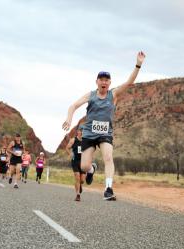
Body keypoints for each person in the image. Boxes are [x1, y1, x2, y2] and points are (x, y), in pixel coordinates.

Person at [62, 51, 146, 200]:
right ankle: (92, 169)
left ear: (110, 83)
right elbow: (73, 105)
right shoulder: (91, 95)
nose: (104, 82)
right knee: (84, 167)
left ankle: (108, 188)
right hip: (88, 134)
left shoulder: (113, 94)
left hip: (105, 133)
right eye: (101, 79)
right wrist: (69, 119)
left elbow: (129, 82)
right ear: (97, 82)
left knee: (108, 157)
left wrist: (138, 64)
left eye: (107, 80)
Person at [65, 126, 87, 201]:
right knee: (77, 178)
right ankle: (78, 195)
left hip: (83, 162)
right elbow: (67, 148)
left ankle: (80, 185)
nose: (82, 132)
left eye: (83, 131)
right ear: (78, 132)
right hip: (75, 161)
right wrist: (70, 154)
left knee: (82, 180)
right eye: (81, 131)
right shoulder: (73, 140)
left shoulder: (86, 141)